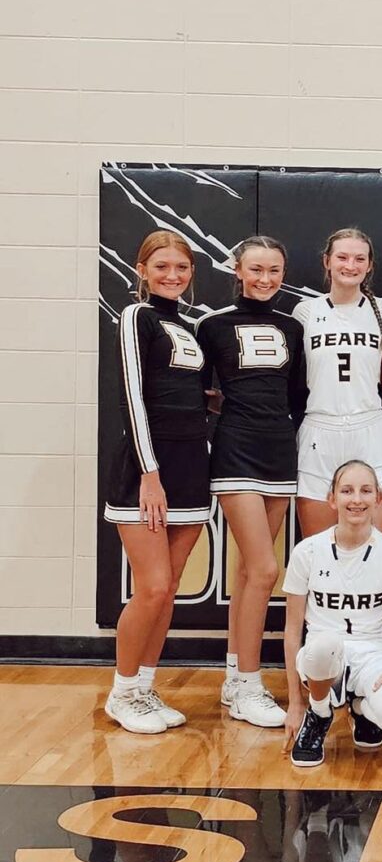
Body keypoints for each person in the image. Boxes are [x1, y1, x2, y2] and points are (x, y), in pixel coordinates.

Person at [197, 235, 307, 728]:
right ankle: (248, 683)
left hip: (279, 450)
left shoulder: (293, 327)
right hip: (235, 450)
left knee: (249, 571)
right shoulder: (212, 325)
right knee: (265, 570)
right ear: (237, 271)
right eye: (256, 269)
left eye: (274, 270)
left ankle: (232, 676)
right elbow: (196, 390)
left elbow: (297, 394)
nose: (265, 279)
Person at [103, 231, 210, 734]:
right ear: (141, 269)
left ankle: (144, 689)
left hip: (191, 469)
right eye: (162, 266)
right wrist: (150, 474)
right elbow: (133, 395)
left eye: (181, 267)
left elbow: (187, 394)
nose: (173, 275)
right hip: (148, 471)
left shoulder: (188, 325)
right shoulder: (136, 316)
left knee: (168, 592)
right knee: (153, 587)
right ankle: (122, 692)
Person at [281, 460, 382, 767]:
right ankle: (319, 712)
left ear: (379, 499)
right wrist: (294, 702)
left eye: (366, 491)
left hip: (372, 652)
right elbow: (292, 631)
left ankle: (360, 707)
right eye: (347, 491)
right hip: (322, 654)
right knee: (324, 645)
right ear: (332, 499)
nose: (356, 499)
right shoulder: (307, 551)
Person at [292, 227, 382, 537]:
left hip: (370, 427)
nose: (350, 265)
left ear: (369, 265)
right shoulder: (306, 311)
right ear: (327, 261)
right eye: (342, 257)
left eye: (359, 259)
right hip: (320, 428)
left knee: (373, 545)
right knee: (318, 547)